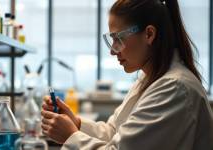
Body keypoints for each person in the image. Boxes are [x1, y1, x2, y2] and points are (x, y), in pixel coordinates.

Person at [41, 0, 213, 149]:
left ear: (149, 34)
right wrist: (76, 124)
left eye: (118, 39)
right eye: (111, 39)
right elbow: (115, 132)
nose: (112, 51)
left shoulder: (174, 88)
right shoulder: (149, 79)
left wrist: (70, 136)